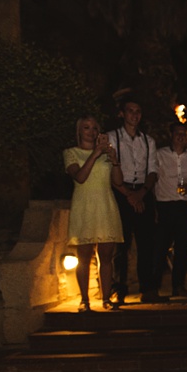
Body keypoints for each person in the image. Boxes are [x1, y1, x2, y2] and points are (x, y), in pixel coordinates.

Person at [65, 116, 124, 311]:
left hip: (106, 206)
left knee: (106, 257)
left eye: (94, 128)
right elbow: (80, 177)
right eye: (86, 128)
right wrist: (96, 153)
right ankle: (84, 300)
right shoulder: (71, 153)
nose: (90, 131)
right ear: (79, 131)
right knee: (84, 257)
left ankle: (106, 298)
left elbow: (118, 181)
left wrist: (114, 161)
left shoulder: (107, 153)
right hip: (84, 208)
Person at [108, 99, 159, 306]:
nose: (134, 115)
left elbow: (153, 170)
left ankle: (147, 288)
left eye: (138, 111)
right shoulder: (112, 137)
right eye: (130, 111)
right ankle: (119, 289)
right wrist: (129, 194)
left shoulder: (148, 141)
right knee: (122, 244)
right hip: (121, 191)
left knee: (147, 243)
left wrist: (141, 193)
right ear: (122, 114)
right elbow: (108, 170)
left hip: (143, 192)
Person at [149, 123, 187, 299]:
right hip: (165, 205)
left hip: (185, 206)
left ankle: (178, 286)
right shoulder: (159, 155)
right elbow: (151, 177)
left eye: (183, 133)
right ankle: (153, 288)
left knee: (181, 249)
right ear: (171, 135)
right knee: (160, 248)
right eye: (177, 133)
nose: (180, 136)